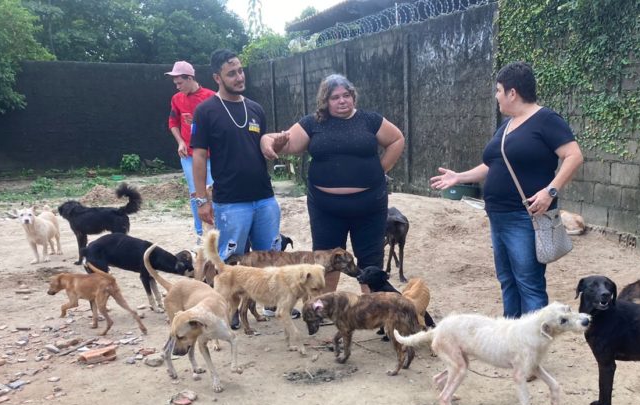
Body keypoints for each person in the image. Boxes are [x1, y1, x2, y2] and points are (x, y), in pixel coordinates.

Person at [430, 62, 583, 318]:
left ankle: (533, 350)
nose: (496, 95)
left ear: (513, 93)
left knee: (529, 284)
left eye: (499, 90)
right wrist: (460, 176)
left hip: (525, 217)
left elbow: (574, 156)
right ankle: (513, 341)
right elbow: (493, 165)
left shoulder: (546, 120)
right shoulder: (508, 126)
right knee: (508, 281)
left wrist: (550, 191)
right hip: (498, 216)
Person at [260, 74, 405, 292]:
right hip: (325, 208)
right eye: (335, 97)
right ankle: (325, 306)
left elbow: (397, 139)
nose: (342, 101)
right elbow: (284, 142)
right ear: (325, 101)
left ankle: (372, 308)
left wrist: (380, 169)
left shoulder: (370, 120)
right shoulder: (312, 123)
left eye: (346, 95)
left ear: (353, 97)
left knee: (370, 257)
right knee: (326, 259)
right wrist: (267, 140)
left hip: (369, 205)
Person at [190, 49, 280, 262]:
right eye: (232, 73)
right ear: (217, 78)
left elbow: (258, 147)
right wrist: (201, 200)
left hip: (264, 199)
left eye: (240, 71)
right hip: (231, 202)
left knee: (271, 262)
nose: (239, 77)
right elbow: (199, 157)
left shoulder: (255, 109)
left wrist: (273, 146)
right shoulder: (205, 111)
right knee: (230, 265)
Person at [165, 60, 215, 240]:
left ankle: (215, 229)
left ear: (190, 78)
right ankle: (201, 233)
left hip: (210, 156)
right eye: (175, 84)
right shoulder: (177, 99)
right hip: (188, 156)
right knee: (195, 193)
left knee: (212, 191)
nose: (177, 87)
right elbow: (173, 123)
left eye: (180, 83)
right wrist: (180, 141)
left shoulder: (211, 97)